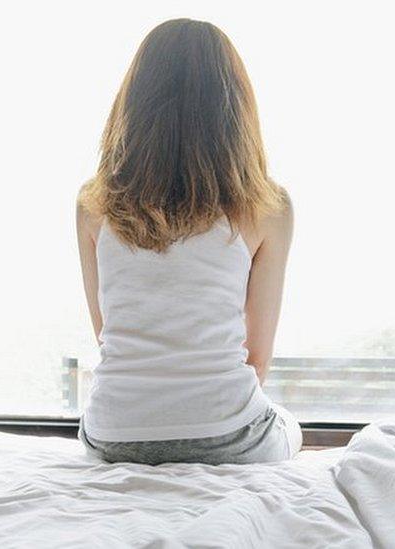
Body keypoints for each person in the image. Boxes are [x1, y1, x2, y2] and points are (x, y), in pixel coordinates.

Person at [75, 18, 301, 465]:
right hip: (226, 435)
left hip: (112, 434)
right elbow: (256, 359)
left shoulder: (93, 203)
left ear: (134, 103)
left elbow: (107, 334)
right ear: (235, 109)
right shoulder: (267, 207)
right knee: (290, 426)